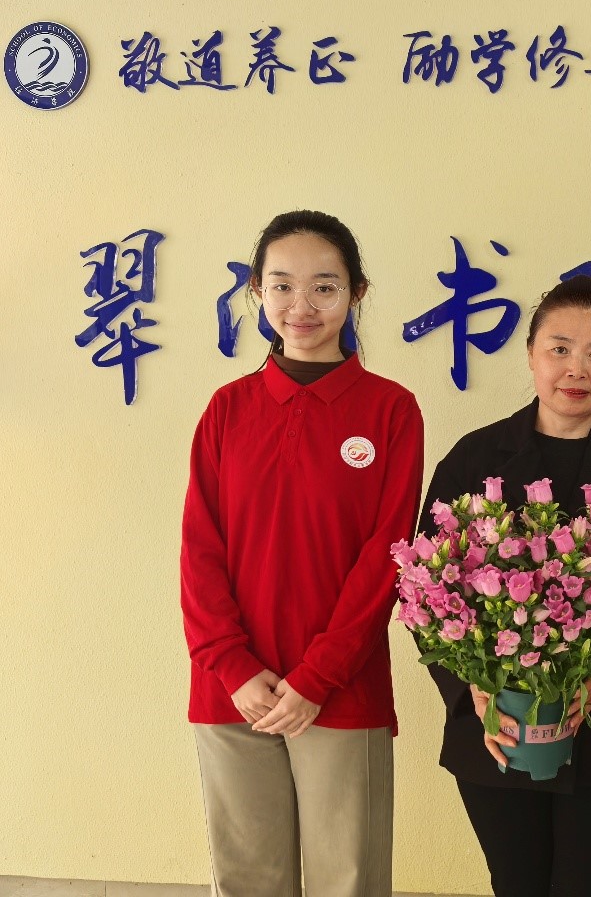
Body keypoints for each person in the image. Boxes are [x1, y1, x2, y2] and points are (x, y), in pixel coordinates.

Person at [419, 274, 591, 897]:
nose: (577, 369)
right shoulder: (474, 461)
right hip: (495, 732)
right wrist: (474, 689)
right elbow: (426, 594)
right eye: (560, 348)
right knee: (515, 884)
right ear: (531, 356)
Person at [180, 210, 424, 897]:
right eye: (282, 285)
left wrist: (318, 677)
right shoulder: (227, 409)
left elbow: (387, 556)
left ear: (356, 293)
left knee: (349, 880)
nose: (301, 305)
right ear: (258, 291)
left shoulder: (391, 411)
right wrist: (232, 666)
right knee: (248, 880)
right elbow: (199, 548)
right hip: (233, 692)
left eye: (324, 287)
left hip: (341, 691)